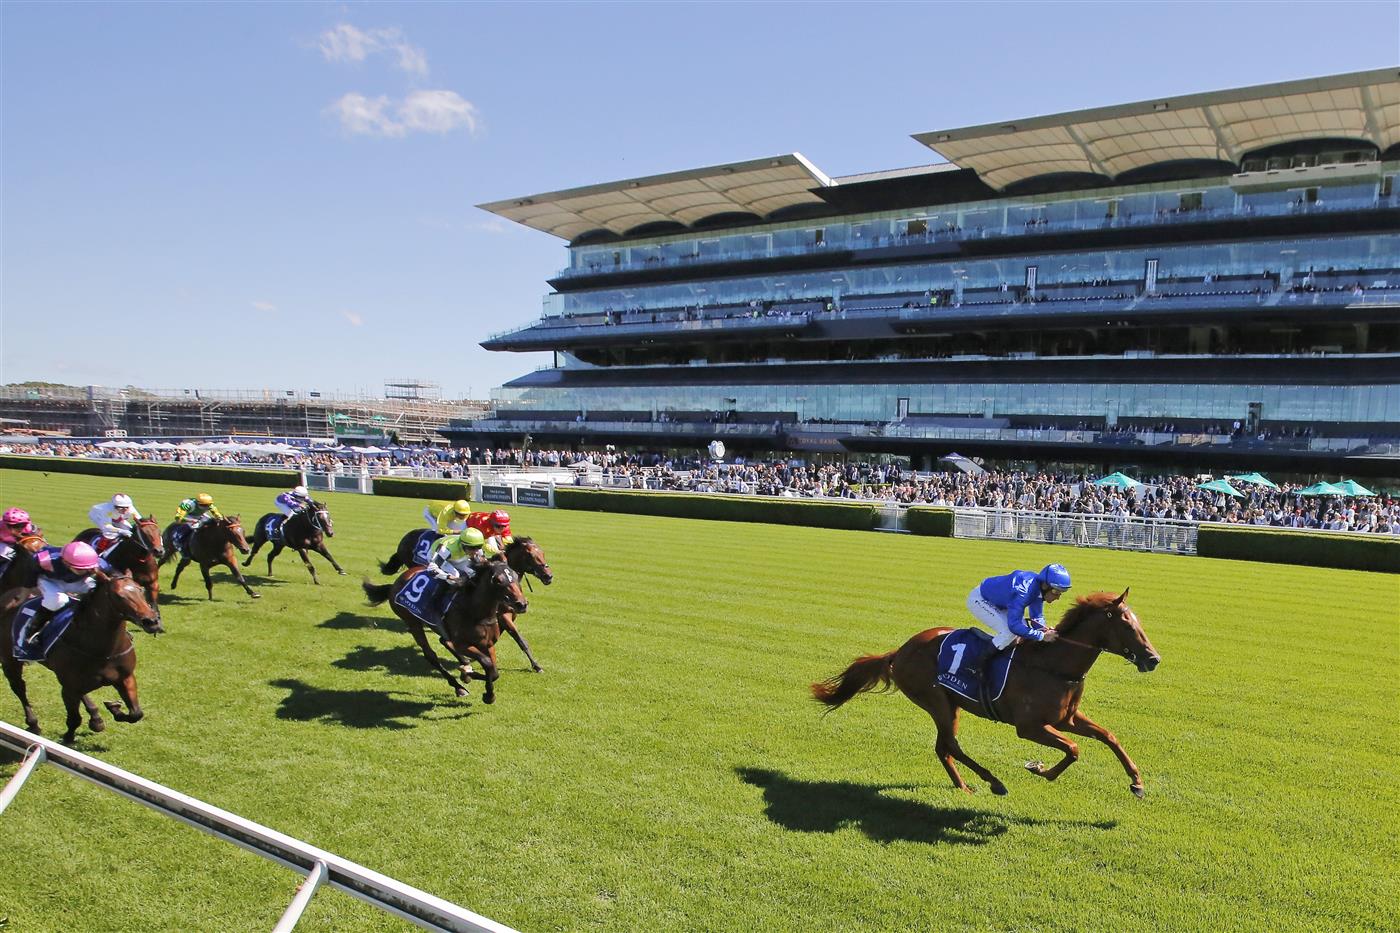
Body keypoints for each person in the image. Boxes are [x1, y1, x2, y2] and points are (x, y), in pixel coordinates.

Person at [967, 563, 1071, 650]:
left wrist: (1044, 630)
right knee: (1009, 633)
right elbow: (1014, 626)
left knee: (1025, 630)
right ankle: (975, 666)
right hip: (981, 599)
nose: (1058, 597)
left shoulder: (1038, 588)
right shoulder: (1023, 592)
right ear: (1045, 586)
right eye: (1056, 591)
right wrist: (1042, 636)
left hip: (1000, 602)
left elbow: (1036, 617)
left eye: (1061, 592)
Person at [26, 540, 104, 645]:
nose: (86, 571)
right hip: (51, 581)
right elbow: (31, 568)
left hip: (78, 582)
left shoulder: (96, 562)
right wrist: (31, 587)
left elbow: (113, 573)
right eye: (80, 568)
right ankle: (33, 630)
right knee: (57, 601)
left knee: (99, 593)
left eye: (89, 568)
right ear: (65, 563)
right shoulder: (45, 559)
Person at [88, 493, 142, 558]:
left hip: (117, 517)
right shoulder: (107, 510)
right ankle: (98, 553)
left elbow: (139, 519)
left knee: (129, 529)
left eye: (126, 508)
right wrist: (121, 531)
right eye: (121, 508)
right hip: (98, 516)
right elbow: (107, 526)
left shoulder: (129, 507)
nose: (125, 510)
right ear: (114, 506)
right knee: (109, 534)